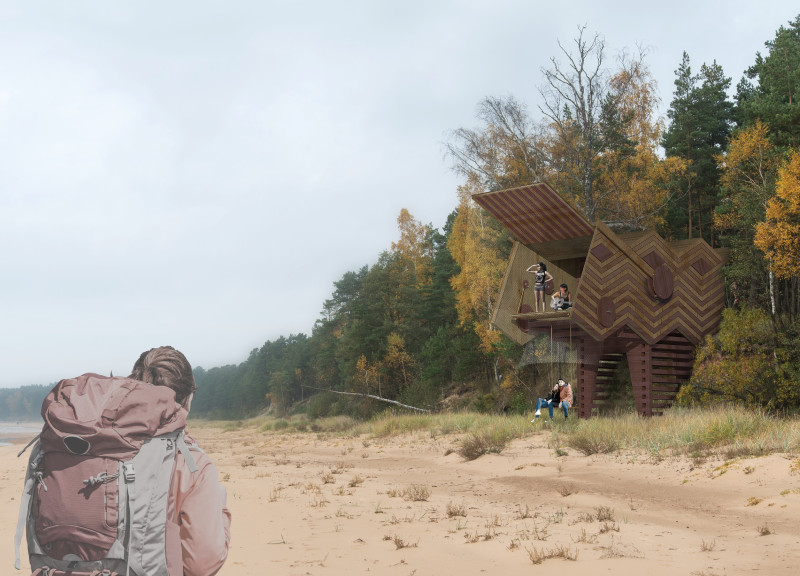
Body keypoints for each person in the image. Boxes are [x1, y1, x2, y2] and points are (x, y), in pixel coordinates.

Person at [130, 346, 232, 576]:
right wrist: (222, 513)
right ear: (189, 398)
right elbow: (202, 565)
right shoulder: (192, 464)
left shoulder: (98, 447)